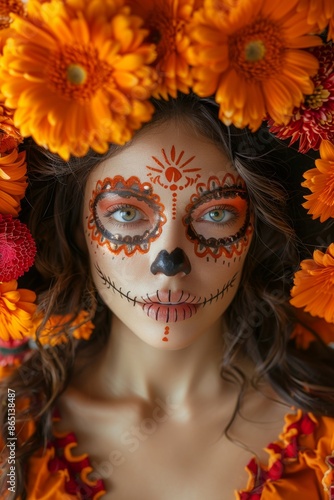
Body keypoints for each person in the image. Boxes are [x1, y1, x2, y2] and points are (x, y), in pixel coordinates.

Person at [0, 1, 334, 499]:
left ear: (259, 229)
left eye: (216, 214)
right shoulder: (10, 431)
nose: (169, 264)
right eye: (127, 214)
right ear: (76, 228)